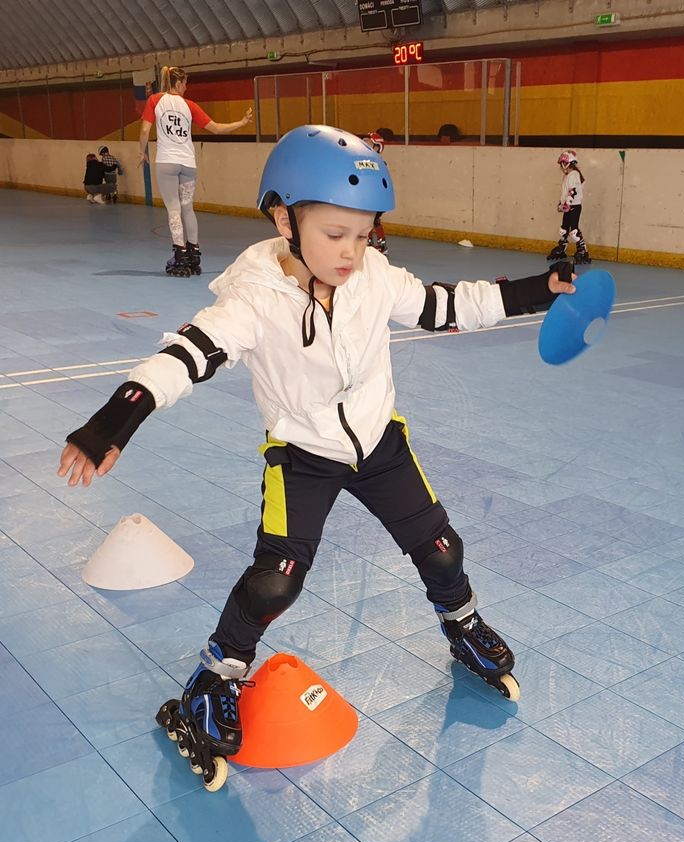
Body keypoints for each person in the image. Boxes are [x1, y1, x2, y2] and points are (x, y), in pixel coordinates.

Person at [57, 125, 576, 789]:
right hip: (301, 456)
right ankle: (214, 679)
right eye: (335, 234)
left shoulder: (374, 277)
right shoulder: (253, 298)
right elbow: (186, 357)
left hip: (379, 444)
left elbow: (444, 305)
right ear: (285, 221)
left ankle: (462, 624)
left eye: (364, 234)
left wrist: (537, 289)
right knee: (274, 582)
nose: (353, 252)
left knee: (443, 550)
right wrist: (113, 421)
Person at [138, 65, 254, 278]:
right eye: (185, 84)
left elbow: (145, 130)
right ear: (178, 83)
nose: (186, 88)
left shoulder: (155, 100)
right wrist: (242, 122)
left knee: (173, 210)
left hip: (166, 163)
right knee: (187, 209)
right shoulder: (190, 105)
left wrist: (142, 152)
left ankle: (180, 255)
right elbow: (216, 128)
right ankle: (194, 254)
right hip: (188, 164)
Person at [546, 149, 591, 265]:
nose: (561, 166)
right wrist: (562, 203)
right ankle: (562, 248)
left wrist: (567, 203)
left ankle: (583, 251)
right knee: (564, 230)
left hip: (574, 206)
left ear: (567, 163)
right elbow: (566, 192)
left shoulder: (574, 174)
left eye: (562, 163)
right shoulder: (568, 175)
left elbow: (572, 191)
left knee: (574, 231)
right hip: (569, 206)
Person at [360, 131, 389, 255]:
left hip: (376, 196)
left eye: (368, 143)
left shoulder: (379, 162)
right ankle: (369, 241)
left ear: (377, 147)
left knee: (374, 220)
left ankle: (382, 244)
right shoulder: (363, 160)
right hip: (366, 195)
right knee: (366, 219)